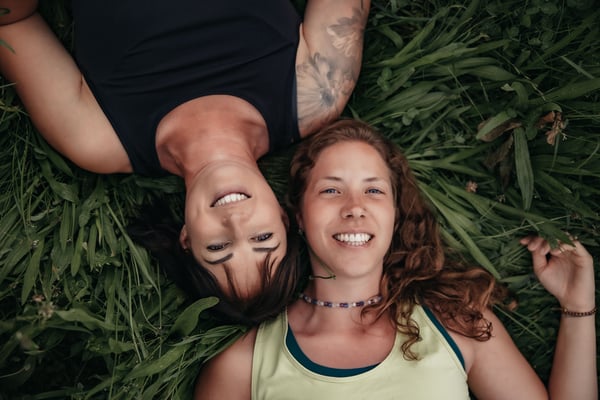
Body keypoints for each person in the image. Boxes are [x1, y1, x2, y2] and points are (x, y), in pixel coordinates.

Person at [0, 0, 371, 323]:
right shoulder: (317, 94)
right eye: (262, 238)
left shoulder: (96, 138)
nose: (235, 221)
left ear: (186, 240)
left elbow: (12, 21)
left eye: (218, 248)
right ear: (284, 218)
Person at [195, 119, 597, 399]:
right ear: (298, 216)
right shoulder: (243, 368)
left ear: (395, 215)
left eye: (374, 191)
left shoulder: (457, 322)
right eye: (331, 190)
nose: (355, 207)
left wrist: (577, 305)